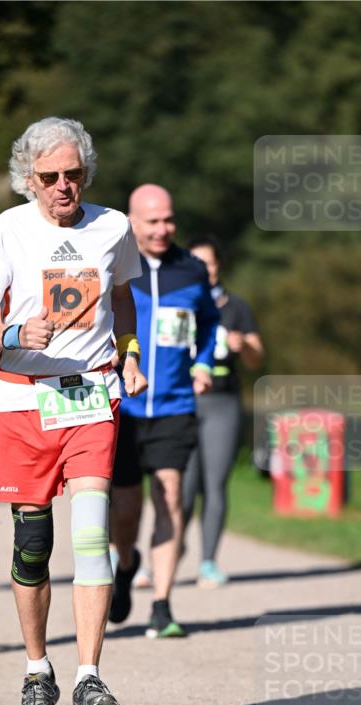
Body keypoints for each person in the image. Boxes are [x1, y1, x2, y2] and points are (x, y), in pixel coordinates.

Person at [0, 116, 147, 705]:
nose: (63, 186)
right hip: (23, 399)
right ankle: (37, 672)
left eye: (73, 175)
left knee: (92, 533)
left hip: (91, 397)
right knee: (34, 544)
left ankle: (89, 677)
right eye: (50, 177)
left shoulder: (114, 226)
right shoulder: (6, 230)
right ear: (28, 178)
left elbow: (123, 294)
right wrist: (16, 332)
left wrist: (130, 351)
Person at [109, 185, 219, 637]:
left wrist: (204, 361)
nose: (162, 229)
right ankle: (127, 563)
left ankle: (162, 604)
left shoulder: (191, 270)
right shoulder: (114, 263)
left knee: (171, 496)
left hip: (175, 403)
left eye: (169, 220)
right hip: (125, 405)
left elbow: (211, 324)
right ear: (132, 221)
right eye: (152, 221)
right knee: (127, 508)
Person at [183, 236, 264, 586]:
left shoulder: (237, 306)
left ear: (219, 266)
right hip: (182, 403)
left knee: (215, 484)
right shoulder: (178, 302)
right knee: (180, 488)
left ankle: (208, 563)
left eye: (210, 264)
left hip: (223, 403)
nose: (204, 270)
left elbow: (257, 357)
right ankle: (164, 557)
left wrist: (243, 343)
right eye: (196, 264)